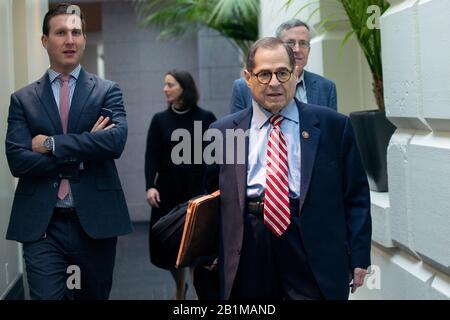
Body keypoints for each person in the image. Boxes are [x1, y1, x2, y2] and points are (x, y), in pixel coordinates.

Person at [205, 37, 371, 300]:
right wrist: (210, 254)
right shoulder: (223, 132)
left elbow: (357, 196)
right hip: (249, 245)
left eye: (282, 73)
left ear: (295, 74)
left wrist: (359, 254)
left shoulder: (334, 126)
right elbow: (210, 198)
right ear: (248, 78)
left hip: (312, 246)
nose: (274, 83)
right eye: (264, 74)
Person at [4, 3, 132, 300]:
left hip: (96, 221)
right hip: (42, 224)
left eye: (76, 32)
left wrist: (51, 145)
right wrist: (87, 147)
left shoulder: (106, 91)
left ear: (84, 39)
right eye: (61, 32)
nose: (70, 40)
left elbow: (115, 143)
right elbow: (18, 161)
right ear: (45, 41)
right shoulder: (23, 99)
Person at [145, 70, 216, 300]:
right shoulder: (159, 120)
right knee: (171, 248)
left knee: (198, 246)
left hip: (198, 191)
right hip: (167, 192)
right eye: (164, 84)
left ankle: (196, 292)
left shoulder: (206, 118)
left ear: (183, 88)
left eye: (169, 85)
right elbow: (151, 156)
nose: (165, 89)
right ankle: (179, 287)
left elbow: (215, 156)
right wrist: (150, 186)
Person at [229, 19, 337, 113]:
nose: (297, 49)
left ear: (309, 49)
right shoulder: (243, 87)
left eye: (303, 43)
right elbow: (238, 130)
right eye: (290, 43)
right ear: (277, 46)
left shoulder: (326, 88)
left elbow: (331, 132)